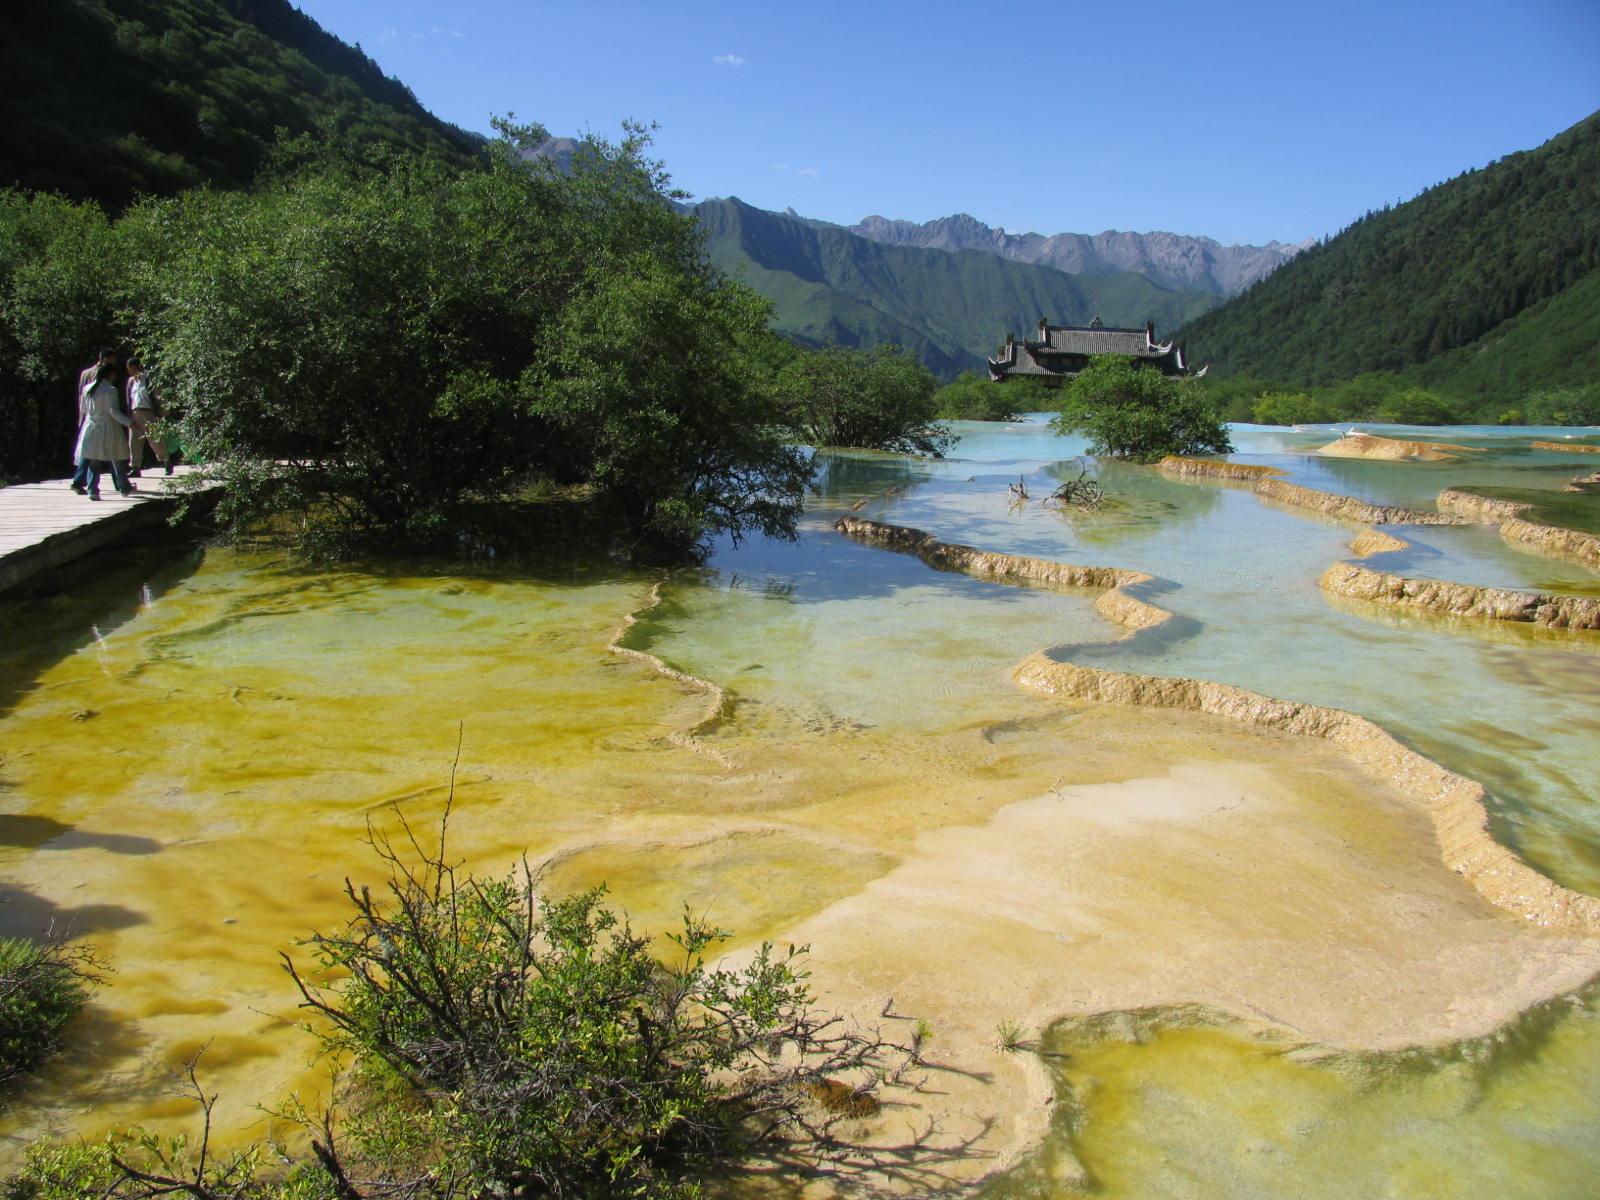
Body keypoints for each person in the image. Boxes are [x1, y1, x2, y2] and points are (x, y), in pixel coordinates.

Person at [73, 362, 134, 500]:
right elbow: (114, 411)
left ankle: (93, 490)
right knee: (116, 456)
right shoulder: (111, 390)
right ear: (110, 375)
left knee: (93, 459)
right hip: (108, 426)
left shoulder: (87, 388)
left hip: (91, 425)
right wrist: (129, 423)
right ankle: (123, 486)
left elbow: (83, 409)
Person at [71, 347, 120, 495]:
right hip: (100, 419)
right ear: (106, 359)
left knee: (87, 451)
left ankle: (80, 481)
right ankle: (119, 483)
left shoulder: (84, 373)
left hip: (88, 416)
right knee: (104, 453)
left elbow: (81, 396)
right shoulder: (99, 374)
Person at [125, 357, 171, 476]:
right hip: (134, 413)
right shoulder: (131, 382)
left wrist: (163, 413)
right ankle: (135, 467)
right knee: (134, 441)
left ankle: (166, 461)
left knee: (155, 439)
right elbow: (128, 399)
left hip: (147, 412)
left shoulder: (149, 379)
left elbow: (158, 396)